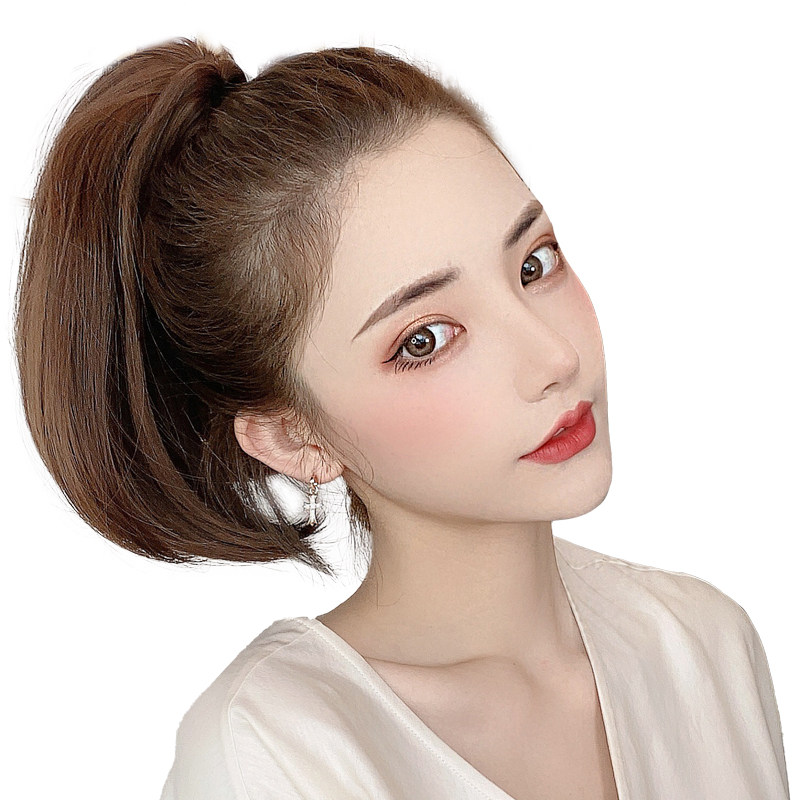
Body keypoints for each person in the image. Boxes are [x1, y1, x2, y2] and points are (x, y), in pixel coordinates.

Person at [12, 37, 789, 800]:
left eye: (534, 264)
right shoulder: (272, 753)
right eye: (426, 339)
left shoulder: (703, 645)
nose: (554, 356)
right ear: (293, 437)